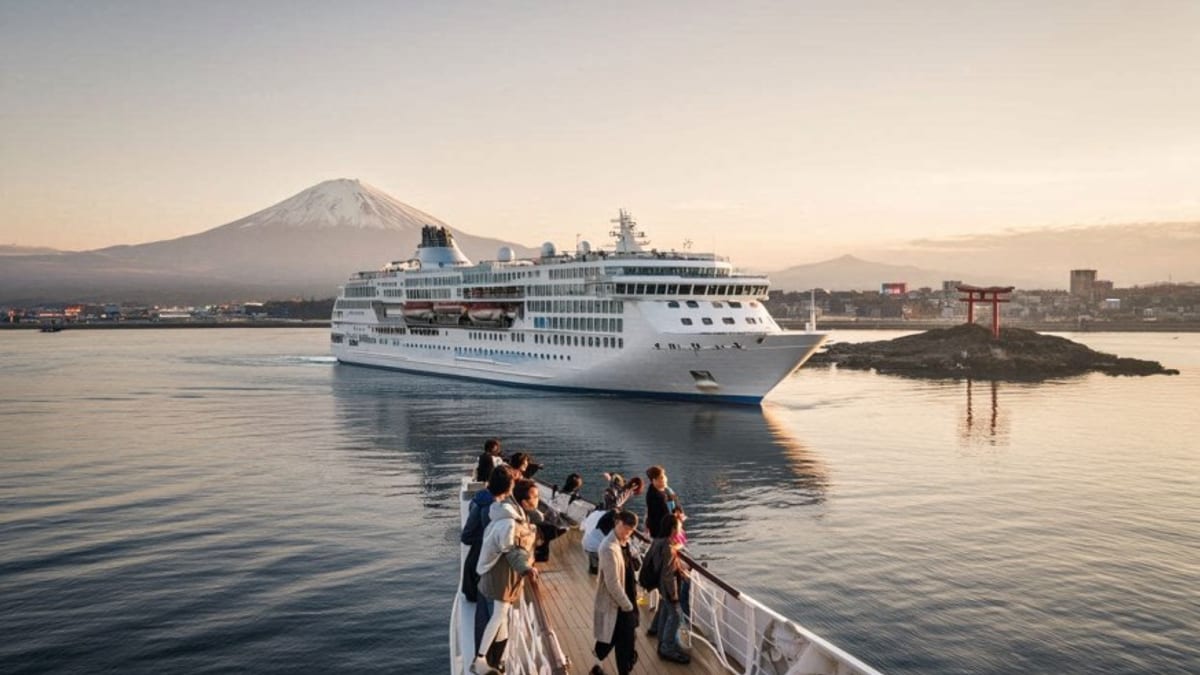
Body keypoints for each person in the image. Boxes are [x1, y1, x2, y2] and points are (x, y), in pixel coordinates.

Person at [472, 477, 539, 675]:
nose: (537, 499)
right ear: (524, 502)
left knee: (502, 620)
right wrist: (526, 568)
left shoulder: (516, 515)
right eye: (534, 496)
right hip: (501, 575)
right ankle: (480, 660)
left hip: (505, 574)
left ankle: (497, 660)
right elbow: (511, 551)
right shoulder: (510, 522)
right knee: (500, 615)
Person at [591, 510, 640, 675]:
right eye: (625, 527)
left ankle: (598, 664)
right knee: (624, 643)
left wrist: (630, 547)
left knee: (615, 639)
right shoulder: (608, 548)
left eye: (631, 530)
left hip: (628, 599)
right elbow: (612, 583)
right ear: (617, 522)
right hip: (618, 603)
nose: (627, 532)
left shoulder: (624, 543)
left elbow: (634, 565)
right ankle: (611, 667)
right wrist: (627, 606)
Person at [655, 514, 691, 663]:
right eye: (679, 527)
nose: (681, 529)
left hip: (661, 586)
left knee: (665, 611)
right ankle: (667, 648)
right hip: (669, 588)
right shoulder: (668, 548)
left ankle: (662, 643)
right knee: (675, 615)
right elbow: (668, 575)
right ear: (672, 529)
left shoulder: (660, 542)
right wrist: (674, 595)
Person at [644, 465, 681, 539]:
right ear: (654, 480)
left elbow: (676, 503)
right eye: (661, 477)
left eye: (664, 476)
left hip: (670, 526)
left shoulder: (667, 490)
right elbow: (665, 513)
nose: (665, 479)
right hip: (661, 530)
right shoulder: (654, 496)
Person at [581, 509, 616, 575]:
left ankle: (593, 566)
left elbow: (582, 528)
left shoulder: (599, 524)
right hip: (595, 549)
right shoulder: (609, 529)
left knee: (594, 548)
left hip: (586, 545)